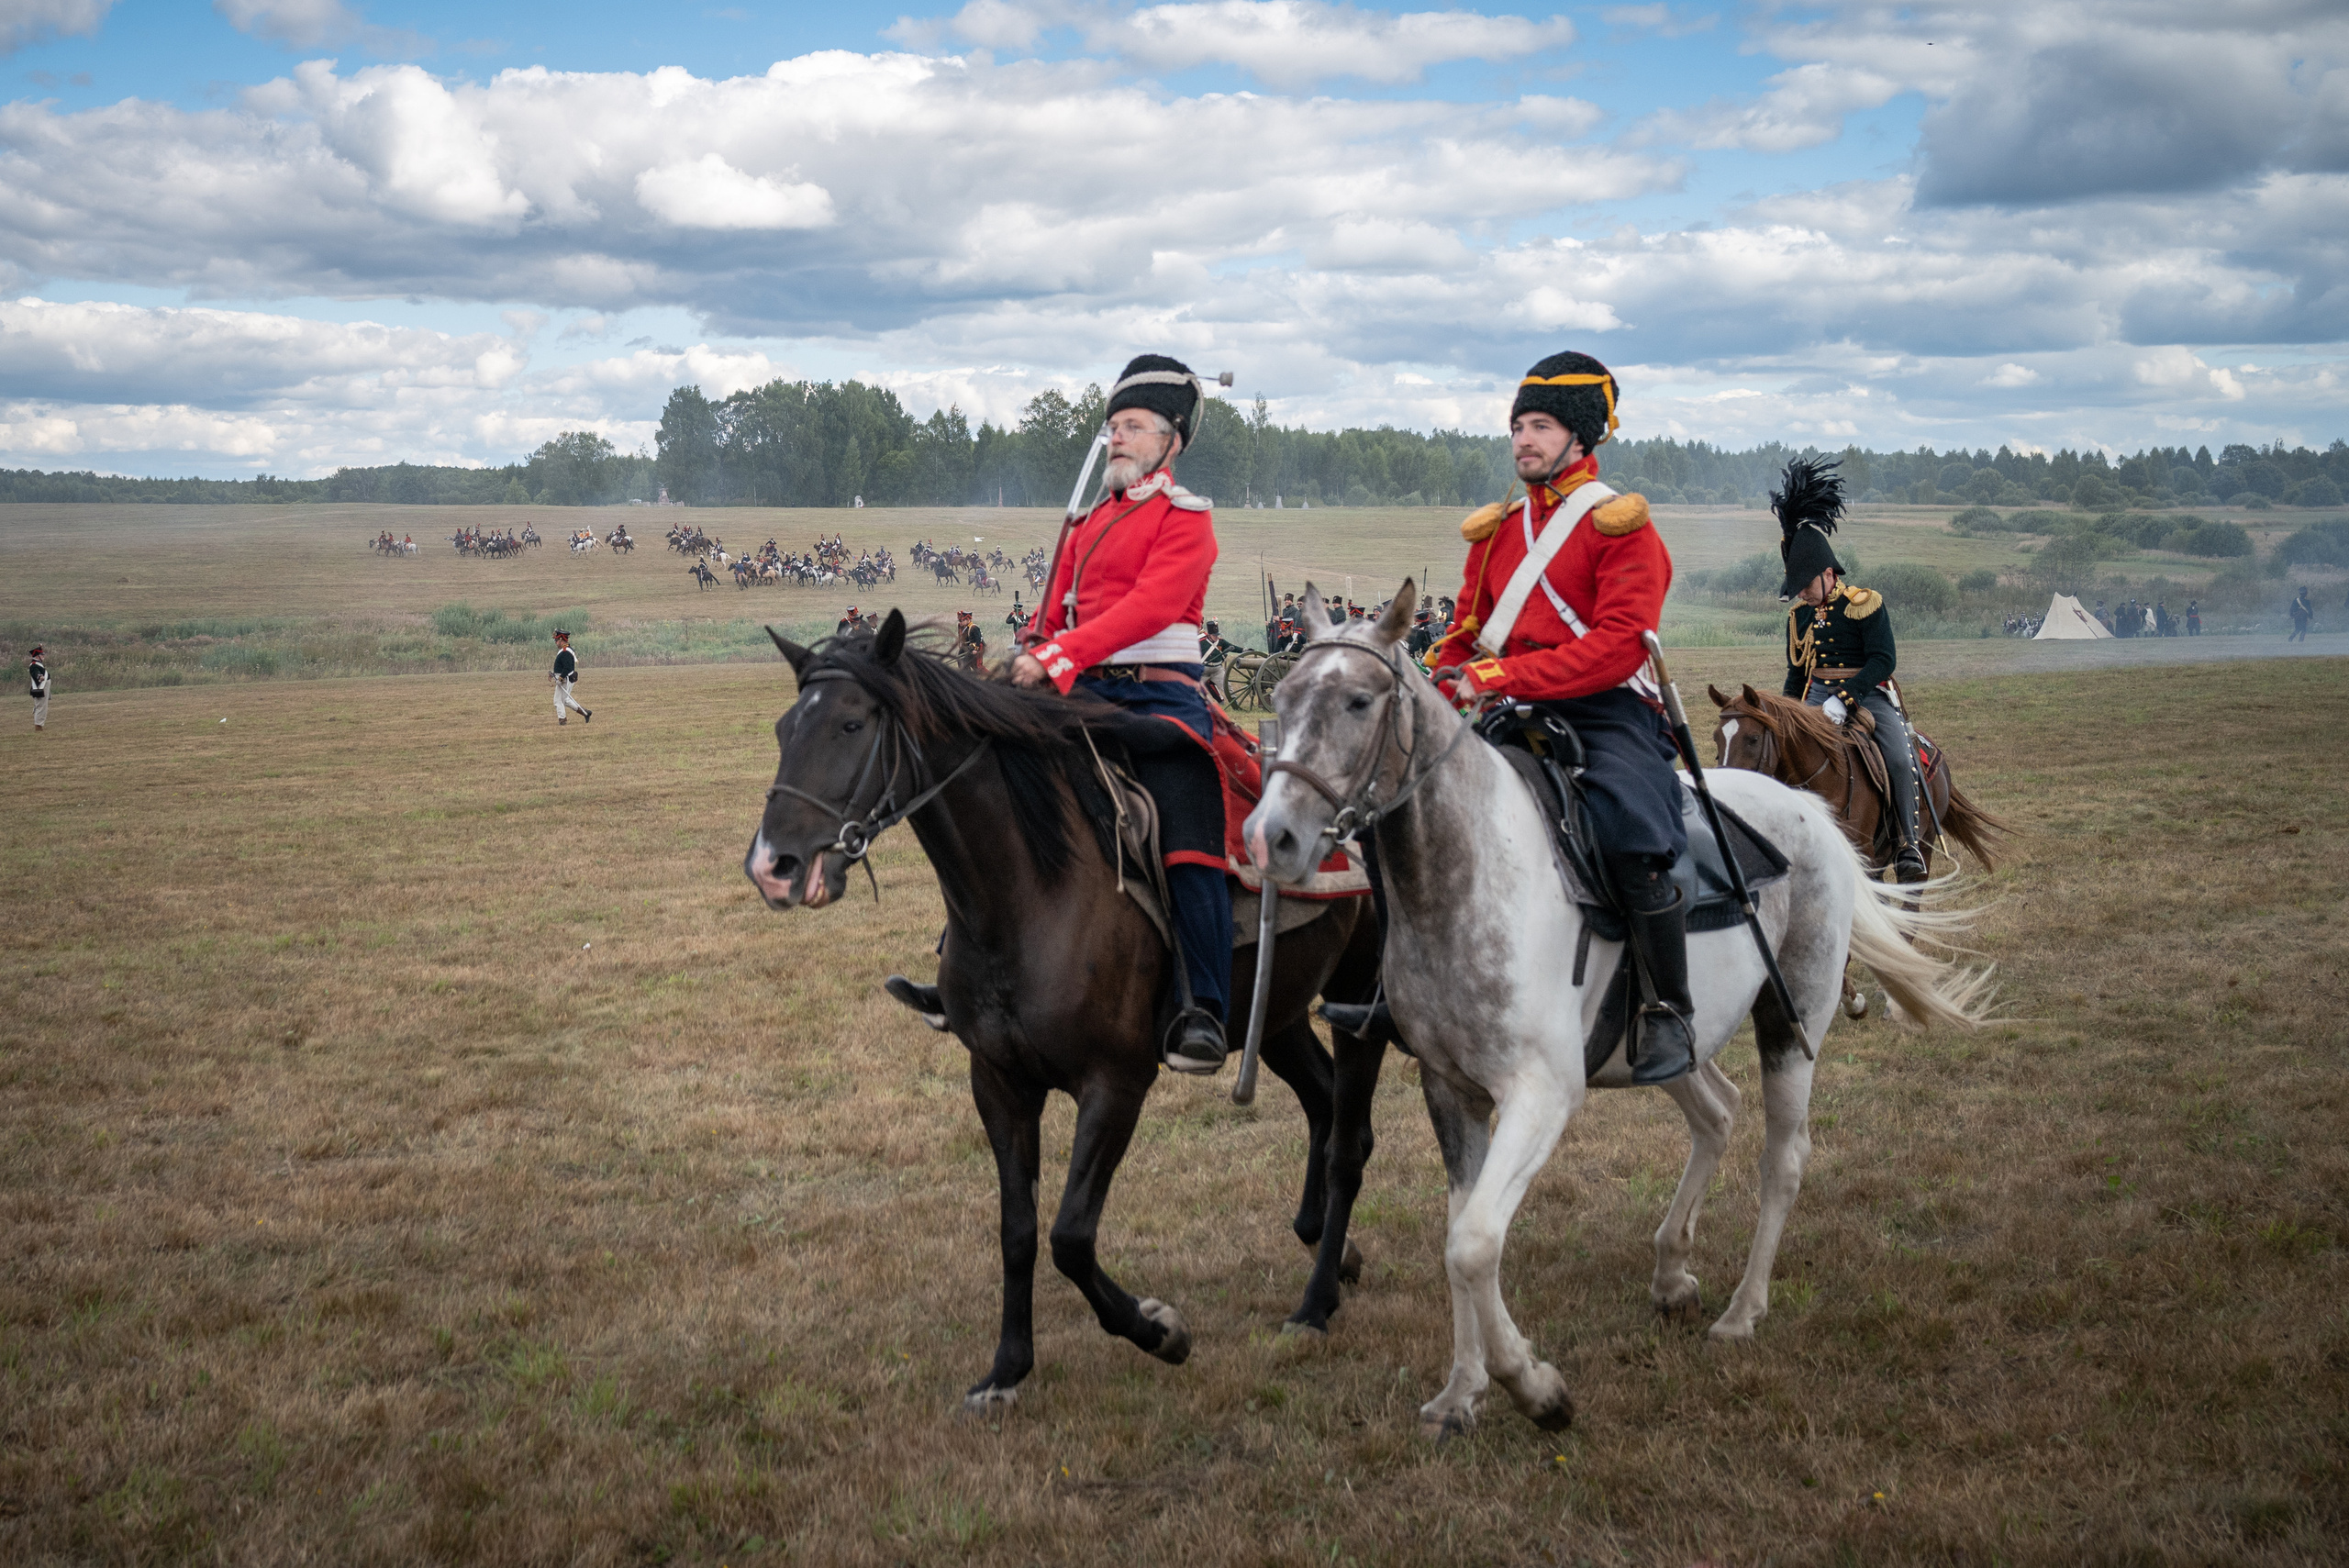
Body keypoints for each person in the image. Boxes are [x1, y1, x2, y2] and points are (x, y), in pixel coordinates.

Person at [1405, 349, 1696, 1084]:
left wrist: (1500, 674)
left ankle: (1668, 1007)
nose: (1523, 440)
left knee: (1632, 829)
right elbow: (1466, 633)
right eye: (1517, 426)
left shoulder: (1621, 526)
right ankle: (1402, 988)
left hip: (1605, 711)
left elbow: (1616, 645)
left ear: (1580, 439)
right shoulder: (1498, 531)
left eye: (1539, 426)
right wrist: (1440, 678)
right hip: (1510, 709)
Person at [1014, 354, 1230, 1074]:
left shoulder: (1186, 521)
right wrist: (1035, 650)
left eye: (1133, 426)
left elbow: (1150, 610)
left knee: (1188, 830)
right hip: (1082, 698)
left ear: (1173, 439)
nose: (1118, 438)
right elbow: (1050, 617)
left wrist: (1061, 654)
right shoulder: (1083, 525)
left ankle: (1204, 1004)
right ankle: (974, 969)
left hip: (1159, 700)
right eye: (1112, 426)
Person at [1776, 458, 1928, 883]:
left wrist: (1846, 700)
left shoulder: (1864, 603)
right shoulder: (1799, 618)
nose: (1802, 594)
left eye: (1806, 585)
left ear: (1829, 574)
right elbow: (1796, 673)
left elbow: (1883, 661)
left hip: (1868, 694)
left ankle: (1906, 844)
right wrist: (1787, 713)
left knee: (1898, 757)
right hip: (1814, 696)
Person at [550, 628, 590, 726]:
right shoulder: (566, 650)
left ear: (561, 640)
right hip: (565, 678)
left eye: (556, 640)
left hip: (564, 679)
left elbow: (567, 667)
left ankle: (562, 720)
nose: (555, 642)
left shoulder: (565, 651)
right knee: (566, 700)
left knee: (558, 701)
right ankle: (585, 712)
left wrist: (560, 678)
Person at [28, 645, 49, 730]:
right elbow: (35, 673)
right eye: (42, 655)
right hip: (39, 688)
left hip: (43, 688)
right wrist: (39, 676)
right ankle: (38, 726)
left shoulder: (38, 664)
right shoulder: (33, 665)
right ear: (37, 656)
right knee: (40, 706)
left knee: (42, 706)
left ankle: (39, 724)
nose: (43, 656)